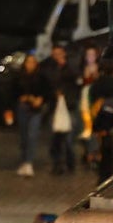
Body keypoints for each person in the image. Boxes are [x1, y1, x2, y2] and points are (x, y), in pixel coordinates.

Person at [38, 42, 81, 175]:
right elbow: (46, 83)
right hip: (54, 107)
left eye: (60, 54)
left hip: (69, 107)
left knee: (68, 138)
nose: (57, 56)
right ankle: (57, 164)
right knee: (55, 137)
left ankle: (69, 162)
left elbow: (76, 80)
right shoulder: (48, 68)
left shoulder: (71, 67)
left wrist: (65, 67)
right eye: (55, 54)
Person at [7, 53, 50, 177]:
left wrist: (40, 99)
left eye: (33, 62)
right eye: (28, 62)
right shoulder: (18, 77)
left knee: (32, 134)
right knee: (24, 135)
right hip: (23, 108)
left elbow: (47, 91)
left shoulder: (41, 77)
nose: (30, 65)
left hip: (36, 110)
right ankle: (24, 160)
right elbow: (12, 93)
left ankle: (28, 162)